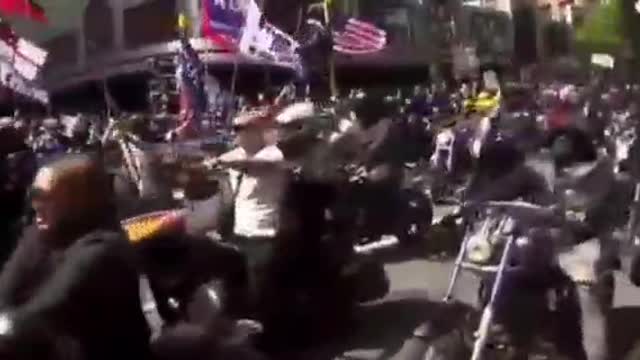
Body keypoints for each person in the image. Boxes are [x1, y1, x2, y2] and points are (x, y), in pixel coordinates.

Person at [0, 154, 151, 360]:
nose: (36, 204)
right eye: (33, 194)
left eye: (45, 196)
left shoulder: (104, 250)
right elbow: (6, 288)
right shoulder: (41, 234)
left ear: (77, 202)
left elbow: (47, 309)